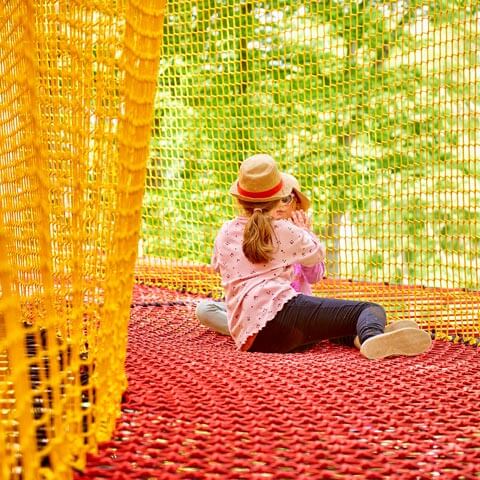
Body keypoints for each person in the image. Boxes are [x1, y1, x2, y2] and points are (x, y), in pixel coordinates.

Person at [204, 153, 432, 359]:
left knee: (332, 326)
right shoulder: (283, 230)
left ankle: (364, 336)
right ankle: (371, 334)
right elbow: (316, 254)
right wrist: (305, 230)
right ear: (277, 199)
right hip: (280, 318)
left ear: (240, 199)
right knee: (369, 309)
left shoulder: (226, 231)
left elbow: (217, 266)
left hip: (251, 339)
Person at [196, 173, 325, 335]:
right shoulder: (250, 232)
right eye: (276, 199)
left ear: (296, 205)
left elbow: (315, 277)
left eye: (286, 199)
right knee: (204, 309)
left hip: (291, 310)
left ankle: (254, 331)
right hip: (255, 308)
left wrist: (305, 233)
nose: (281, 205)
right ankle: (251, 331)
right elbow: (220, 267)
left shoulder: (298, 237)